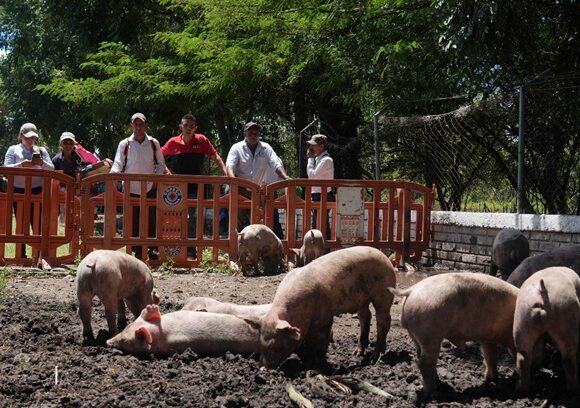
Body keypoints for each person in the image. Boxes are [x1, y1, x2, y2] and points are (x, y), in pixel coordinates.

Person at [161, 113, 227, 260]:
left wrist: (226, 174)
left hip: (195, 187)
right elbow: (158, 156)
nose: (188, 128)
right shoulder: (173, 142)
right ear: (181, 126)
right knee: (173, 216)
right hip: (175, 187)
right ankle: (171, 250)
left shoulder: (201, 140)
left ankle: (190, 251)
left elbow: (215, 156)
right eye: (186, 125)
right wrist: (167, 171)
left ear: (195, 128)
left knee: (191, 217)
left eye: (191, 126)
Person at [110, 113, 166, 260]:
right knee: (133, 219)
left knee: (152, 218)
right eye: (136, 124)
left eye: (141, 124)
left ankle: (152, 249)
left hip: (149, 187)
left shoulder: (154, 143)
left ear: (146, 126)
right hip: (130, 188)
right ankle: (136, 250)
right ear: (131, 126)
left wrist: (156, 180)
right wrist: (113, 176)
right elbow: (118, 163)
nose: (138, 127)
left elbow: (161, 164)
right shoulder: (124, 144)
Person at [225, 122, 290, 231]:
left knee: (260, 221)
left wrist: (285, 177)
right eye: (250, 133)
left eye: (256, 133)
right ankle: (236, 241)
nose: (253, 136)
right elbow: (229, 166)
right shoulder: (236, 148)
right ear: (245, 134)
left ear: (259, 134)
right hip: (241, 189)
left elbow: (276, 164)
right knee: (236, 220)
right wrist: (233, 182)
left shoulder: (266, 148)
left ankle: (259, 241)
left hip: (259, 191)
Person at [3, 123, 54, 258]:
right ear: (20, 136)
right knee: (21, 223)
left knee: (38, 223)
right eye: (27, 137)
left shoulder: (41, 150)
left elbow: (52, 169)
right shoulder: (13, 149)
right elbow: (6, 169)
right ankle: (21, 255)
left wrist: (41, 163)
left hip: (38, 192)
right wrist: (21, 165)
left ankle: (39, 255)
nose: (30, 140)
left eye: (33, 137)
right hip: (18, 191)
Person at [306, 134, 334, 239]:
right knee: (318, 223)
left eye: (313, 145)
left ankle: (325, 245)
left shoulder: (326, 160)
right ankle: (323, 245)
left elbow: (312, 175)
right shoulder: (319, 159)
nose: (311, 148)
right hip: (318, 194)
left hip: (323, 195)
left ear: (321, 146)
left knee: (320, 224)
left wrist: (310, 159)